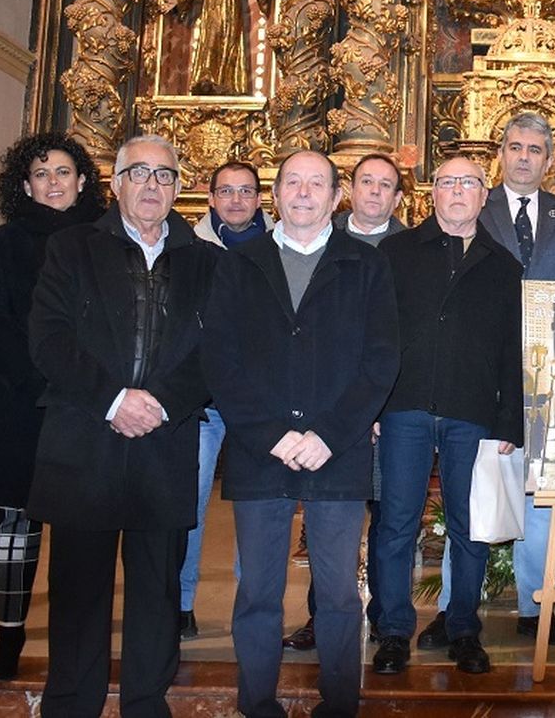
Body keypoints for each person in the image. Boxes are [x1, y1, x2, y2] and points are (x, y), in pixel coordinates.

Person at [26, 134, 217, 717]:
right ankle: (70, 705)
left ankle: (144, 702)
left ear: (180, 189)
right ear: (116, 183)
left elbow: (221, 349)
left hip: (165, 441)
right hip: (87, 437)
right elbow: (48, 338)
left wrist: (159, 402)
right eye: (140, 173)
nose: (153, 186)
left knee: (157, 593)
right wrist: (113, 400)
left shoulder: (210, 261)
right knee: (79, 591)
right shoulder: (71, 247)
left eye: (165, 176)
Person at [203, 149, 399, 718]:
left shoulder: (366, 266)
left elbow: (380, 361)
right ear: (276, 194)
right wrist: (271, 433)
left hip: (336, 453)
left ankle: (339, 704)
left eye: (317, 183)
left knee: (338, 595)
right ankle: (257, 704)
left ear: (336, 197)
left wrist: (329, 436)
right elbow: (221, 361)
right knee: (259, 594)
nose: (305, 193)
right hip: (261, 453)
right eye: (294, 182)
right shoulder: (239, 266)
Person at [415, 112, 555, 652]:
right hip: (481, 374)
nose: (523, 157)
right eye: (514, 147)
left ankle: (534, 607)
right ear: (500, 153)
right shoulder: (474, 205)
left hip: (551, 376)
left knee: (542, 493)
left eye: (535, 149)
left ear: (549, 159)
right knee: (468, 492)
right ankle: (453, 609)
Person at [0, 133, 105, 681]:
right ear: (24, 185)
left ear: (82, 181)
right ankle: (10, 635)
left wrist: (80, 380)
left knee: (79, 524)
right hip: (16, 398)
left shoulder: (103, 240)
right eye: (41, 174)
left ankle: (73, 635)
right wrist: (35, 375)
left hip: (82, 402)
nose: (53, 183)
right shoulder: (5, 241)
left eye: (63, 173)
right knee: (15, 520)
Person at [371, 156, 524, 676]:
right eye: (447, 182)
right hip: (404, 406)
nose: (457, 191)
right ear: (430, 193)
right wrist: (371, 404)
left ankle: (463, 628)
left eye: (469, 183)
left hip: (472, 410)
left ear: (485, 196)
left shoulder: (504, 266)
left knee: (469, 526)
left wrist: (509, 422)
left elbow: (512, 349)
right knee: (395, 523)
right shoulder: (395, 253)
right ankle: (392, 630)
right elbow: (375, 335)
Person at [284, 152, 409, 652]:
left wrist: (380, 408)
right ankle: (322, 615)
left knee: (384, 513)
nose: (375, 192)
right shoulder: (317, 238)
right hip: (326, 413)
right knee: (325, 512)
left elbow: (401, 338)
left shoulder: (409, 248)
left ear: (399, 198)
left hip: (385, 407)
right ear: (348, 190)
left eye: (386, 185)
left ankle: (382, 614)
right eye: (366, 182)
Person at [181, 160, 273, 641]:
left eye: (245, 192)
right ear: (211, 199)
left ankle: (253, 602)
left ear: (260, 199)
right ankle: (181, 602)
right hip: (206, 402)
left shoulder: (282, 246)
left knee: (256, 509)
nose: (236, 200)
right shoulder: (189, 249)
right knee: (189, 503)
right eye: (226, 192)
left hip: (260, 405)